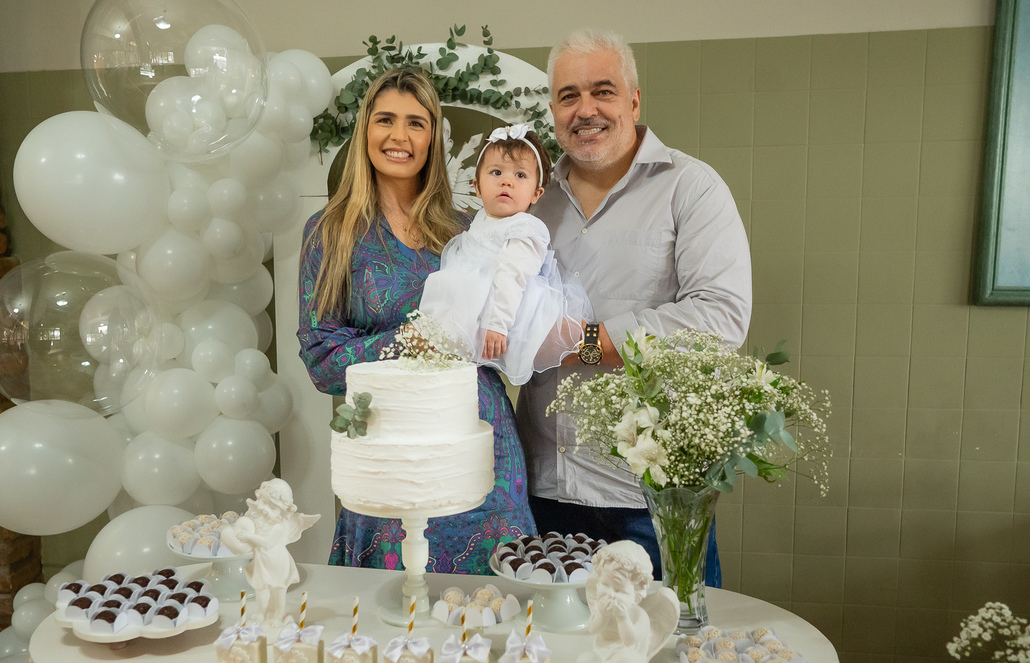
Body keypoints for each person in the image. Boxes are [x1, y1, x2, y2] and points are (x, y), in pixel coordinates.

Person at [518, 31, 753, 585]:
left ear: (634, 101)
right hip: (545, 490)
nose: (586, 109)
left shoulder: (690, 188)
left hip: (651, 495)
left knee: (672, 654)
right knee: (564, 661)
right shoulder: (530, 202)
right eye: (569, 95)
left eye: (603, 91)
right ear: (553, 108)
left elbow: (721, 319)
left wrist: (586, 343)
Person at [297, 67, 537, 574]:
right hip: (390, 454)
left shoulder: (470, 230)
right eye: (385, 120)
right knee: (394, 625)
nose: (399, 137)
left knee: (495, 624)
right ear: (366, 130)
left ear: (434, 137)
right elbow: (321, 361)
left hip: (483, 445)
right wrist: (412, 339)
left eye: (416, 123)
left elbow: (515, 320)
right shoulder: (330, 233)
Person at [418, 124, 590, 385]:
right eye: (496, 172)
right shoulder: (480, 221)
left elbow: (513, 274)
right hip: (482, 295)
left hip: (514, 307)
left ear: (536, 193)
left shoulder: (526, 228)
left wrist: (497, 324)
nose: (507, 181)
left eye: (520, 175)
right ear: (477, 187)